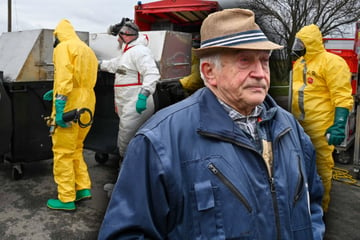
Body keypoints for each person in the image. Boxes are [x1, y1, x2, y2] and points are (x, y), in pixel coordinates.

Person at [98, 8, 325, 239]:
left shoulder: (289, 128)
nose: (260, 73)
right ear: (209, 72)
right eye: (245, 61)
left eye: (264, 61)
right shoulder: (159, 142)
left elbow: (312, 204)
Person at [291, 24, 354, 214]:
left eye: (300, 42)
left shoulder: (332, 63)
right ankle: (301, 210)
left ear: (310, 43)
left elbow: (342, 96)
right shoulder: (300, 64)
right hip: (297, 127)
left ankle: (320, 211)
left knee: (321, 171)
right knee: (297, 171)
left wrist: (338, 125)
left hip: (319, 130)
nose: (297, 46)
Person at [42, 19, 98, 211]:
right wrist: (56, 90)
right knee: (77, 147)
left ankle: (66, 198)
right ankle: (82, 188)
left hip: (70, 102)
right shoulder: (86, 49)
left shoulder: (63, 47)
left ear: (59, 35)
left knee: (63, 152)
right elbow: (80, 76)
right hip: (88, 100)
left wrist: (60, 102)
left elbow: (65, 75)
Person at [98, 19, 160, 159]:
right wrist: (97, 64)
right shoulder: (128, 52)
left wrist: (143, 96)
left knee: (127, 139)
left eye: (118, 38)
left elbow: (152, 73)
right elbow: (115, 65)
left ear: (124, 35)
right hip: (128, 103)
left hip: (136, 103)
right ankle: (136, 168)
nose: (117, 41)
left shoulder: (140, 51)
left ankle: (126, 174)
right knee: (132, 138)